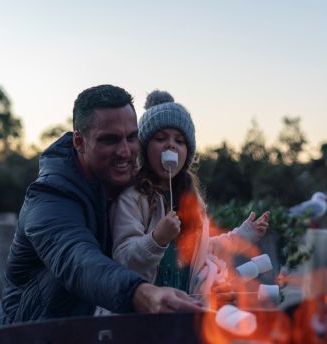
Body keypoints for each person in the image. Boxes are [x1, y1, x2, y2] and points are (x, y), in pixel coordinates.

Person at [0, 85, 201, 324]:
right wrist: (140, 293)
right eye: (109, 140)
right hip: (34, 342)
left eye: (131, 137)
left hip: (99, 337)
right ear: (79, 142)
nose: (125, 151)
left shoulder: (135, 188)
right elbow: (79, 262)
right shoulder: (48, 198)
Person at [110, 90, 269, 304]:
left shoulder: (192, 202)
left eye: (180, 140)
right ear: (144, 149)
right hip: (144, 310)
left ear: (187, 154)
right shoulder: (133, 199)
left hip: (185, 305)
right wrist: (157, 239)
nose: (171, 145)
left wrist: (242, 236)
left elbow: (204, 251)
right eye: (160, 138)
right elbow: (123, 259)